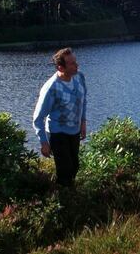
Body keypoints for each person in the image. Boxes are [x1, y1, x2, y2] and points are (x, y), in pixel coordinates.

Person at [32, 47, 87, 187]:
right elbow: (38, 119)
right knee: (65, 170)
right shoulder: (51, 88)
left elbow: (83, 100)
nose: (77, 65)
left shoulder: (79, 77)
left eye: (75, 61)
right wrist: (44, 143)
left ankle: (70, 196)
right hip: (57, 133)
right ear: (60, 67)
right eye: (72, 63)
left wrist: (83, 121)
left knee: (75, 166)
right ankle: (63, 200)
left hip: (74, 131)